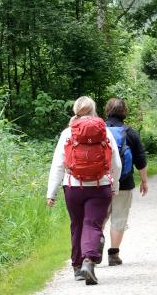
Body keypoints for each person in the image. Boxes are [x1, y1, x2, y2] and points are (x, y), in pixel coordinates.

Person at [47, 96, 121, 285]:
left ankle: (77, 267)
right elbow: (116, 163)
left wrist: (51, 193)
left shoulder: (67, 133)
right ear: (93, 110)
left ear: (76, 111)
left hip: (73, 187)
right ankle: (89, 261)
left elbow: (58, 165)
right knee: (93, 224)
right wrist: (115, 185)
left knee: (77, 224)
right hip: (100, 185)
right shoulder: (105, 131)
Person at [103, 98, 148, 266]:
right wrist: (144, 181)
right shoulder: (130, 133)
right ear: (124, 112)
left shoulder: (99, 130)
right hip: (125, 182)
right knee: (119, 218)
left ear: (107, 111)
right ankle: (113, 255)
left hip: (101, 182)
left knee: (100, 217)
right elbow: (140, 160)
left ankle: (94, 248)